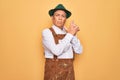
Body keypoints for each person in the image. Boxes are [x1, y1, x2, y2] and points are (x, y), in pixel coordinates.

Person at [42, 4, 83, 80]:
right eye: (57, 15)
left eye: (63, 16)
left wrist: (73, 35)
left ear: (65, 19)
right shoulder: (47, 32)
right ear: (52, 18)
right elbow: (56, 51)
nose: (60, 18)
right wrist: (70, 34)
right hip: (53, 71)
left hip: (69, 71)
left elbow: (79, 50)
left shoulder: (69, 33)